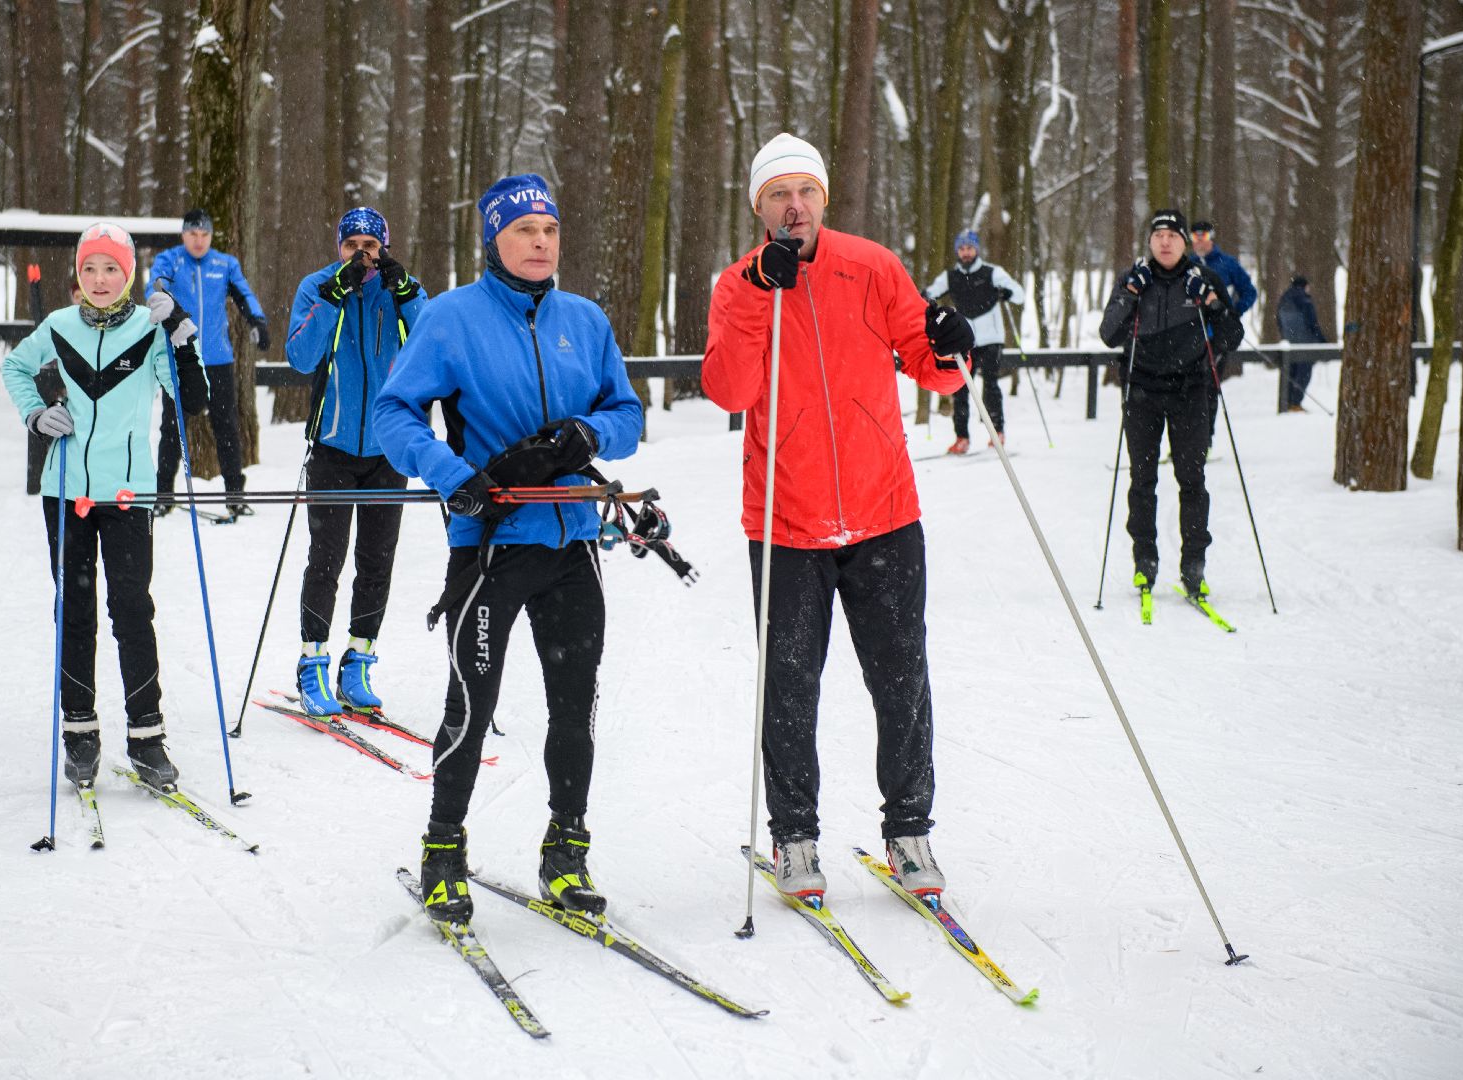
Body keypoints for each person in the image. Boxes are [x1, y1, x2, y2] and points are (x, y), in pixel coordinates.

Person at [701, 132, 975, 903]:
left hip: (884, 512)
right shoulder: (737, 285)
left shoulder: (873, 265)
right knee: (790, 685)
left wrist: (951, 344)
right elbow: (727, 389)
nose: (795, 207)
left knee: (901, 680)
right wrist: (761, 291)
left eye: (807, 192)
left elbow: (935, 368)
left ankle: (910, 831)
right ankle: (794, 839)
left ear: (825, 198)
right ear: (759, 207)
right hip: (786, 523)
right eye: (779, 195)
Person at [375, 173, 644, 922]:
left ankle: (566, 851)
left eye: (550, 231)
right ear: (495, 239)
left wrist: (594, 434)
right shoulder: (450, 319)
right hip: (492, 546)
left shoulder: (584, 321)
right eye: (525, 231)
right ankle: (442, 850)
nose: (540, 243)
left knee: (574, 708)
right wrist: (450, 476)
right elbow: (393, 413)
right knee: (472, 699)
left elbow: (626, 410)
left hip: (573, 544)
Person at [1, 221, 211, 790]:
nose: (99, 279)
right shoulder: (57, 326)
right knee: (75, 611)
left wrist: (184, 336)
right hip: (64, 489)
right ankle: (80, 735)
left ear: (128, 275)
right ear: (78, 273)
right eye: (90, 268)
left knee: (132, 610)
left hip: (128, 493)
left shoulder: (149, 329)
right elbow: (15, 368)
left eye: (111, 268)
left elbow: (192, 400)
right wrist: (35, 414)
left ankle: (147, 738)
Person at [285, 207, 427, 716]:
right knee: (325, 558)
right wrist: (333, 296)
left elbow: (432, 344)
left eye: (371, 244)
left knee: (377, 560)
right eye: (352, 245)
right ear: (339, 248)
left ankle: (359, 660)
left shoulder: (400, 288)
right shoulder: (319, 286)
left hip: (389, 448)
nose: (362, 254)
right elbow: (300, 357)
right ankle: (312, 662)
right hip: (333, 446)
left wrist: (406, 290)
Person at [1099, 209, 1243, 600]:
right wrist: (1130, 294)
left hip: (1191, 392)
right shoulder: (1133, 280)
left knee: (1192, 481)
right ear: (1150, 241)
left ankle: (1193, 565)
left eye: (1173, 235)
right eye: (1158, 235)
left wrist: (1211, 303)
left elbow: (1233, 333)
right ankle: (1144, 562)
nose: (1165, 242)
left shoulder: (1204, 278)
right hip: (1142, 392)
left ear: (1185, 242)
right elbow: (1109, 334)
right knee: (1142, 482)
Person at [148, 208, 268, 515]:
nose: (198, 241)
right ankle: (164, 496)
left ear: (211, 237)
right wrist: (160, 297)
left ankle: (235, 495)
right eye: (192, 234)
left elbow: (245, 294)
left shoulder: (224, 264)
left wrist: (257, 321)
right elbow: (155, 286)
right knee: (172, 428)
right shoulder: (171, 260)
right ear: (183, 235)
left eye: (204, 235)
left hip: (217, 359)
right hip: (181, 358)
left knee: (226, 426)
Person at [923, 229, 1025, 453]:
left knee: (990, 385)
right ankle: (962, 437)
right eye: (961, 248)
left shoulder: (992, 272)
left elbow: (1020, 294)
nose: (966, 252)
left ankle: (997, 432)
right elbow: (929, 292)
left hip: (991, 338)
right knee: (960, 387)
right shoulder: (951, 276)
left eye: (969, 248)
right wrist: (926, 300)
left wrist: (1007, 293)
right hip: (964, 340)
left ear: (976, 249)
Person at [1191, 220, 1257, 441]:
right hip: (1187, 337)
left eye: (1204, 237)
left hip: (1216, 337)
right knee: (1185, 390)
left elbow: (1249, 291)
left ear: (1212, 237)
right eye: (1194, 237)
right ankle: (1182, 441)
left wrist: (1233, 313)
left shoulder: (1227, 264)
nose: (1199, 242)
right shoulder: (1186, 264)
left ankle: (1204, 440)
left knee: (1208, 388)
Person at [1275, 275, 1326, 412]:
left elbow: (1279, 321)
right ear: (1304, 286)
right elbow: (1312, 322)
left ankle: (1286, 403)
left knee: (1289, 373)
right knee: (1304, 373)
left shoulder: (1284, 299)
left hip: (1289, 344)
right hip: (1305, 343)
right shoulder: (1304, 299)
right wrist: (1321, 340)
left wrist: (1285, 336)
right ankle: (1295, 403)